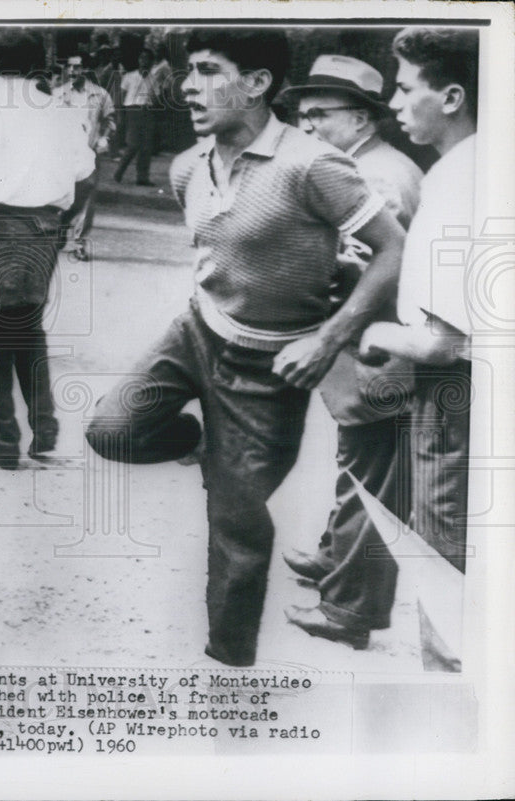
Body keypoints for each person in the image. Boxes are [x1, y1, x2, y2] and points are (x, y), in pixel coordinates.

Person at [85, 29, 406, 667]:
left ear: (257, 83)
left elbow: (395, 249)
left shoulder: (312, 163)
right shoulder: (185, 167)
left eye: (208, 71)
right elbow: (218, 253)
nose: (188, 87)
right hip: (196, 332)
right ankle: (209, 449)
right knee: (111, 430)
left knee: (237, 531)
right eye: (188, 73)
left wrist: (327, 339)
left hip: (271, 368)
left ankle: (226, 670)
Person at [275, 54, 424, 649]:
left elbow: (382, 268)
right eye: (302, 116)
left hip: (377, 345)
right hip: (369, 345)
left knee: (374, 478)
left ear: (362, 117)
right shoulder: (365, 164)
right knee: (358, 461)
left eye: (320, 115)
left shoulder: (377, 175)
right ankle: (335, 560)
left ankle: (350, 611)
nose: (307, 127)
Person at [357, 27, 478, 672]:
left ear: (452, 95)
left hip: (455, 395)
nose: (396, 105)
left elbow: (442, 340)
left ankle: (455, 738)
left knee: (445, 557)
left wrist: (376, 331)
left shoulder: (460, 177)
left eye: (406, 89)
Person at [0, 29, 95, 468]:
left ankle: (2, 443)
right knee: (28, 330)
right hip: (44, 231)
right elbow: (88, 179)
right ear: (35, 68)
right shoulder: (64, 112)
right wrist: (64, 221)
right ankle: (44, 432)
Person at [54, 54, 116, 261]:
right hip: (62, 153)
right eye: (70, 67)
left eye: (78, 67)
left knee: (87, 198)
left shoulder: (100, 95)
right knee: (61, 193)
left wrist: (105, 138)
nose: (73, 71)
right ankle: (60, 229)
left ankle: (79, 242)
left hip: (89, 154)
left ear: (86, 70)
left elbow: (111, 120)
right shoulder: (58, 94)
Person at [114, 47, 156, 186]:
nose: (144, 61)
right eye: (141, 58)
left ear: (152, 62)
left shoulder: (154, 79)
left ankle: (142, 177)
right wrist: (120, 113)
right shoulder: (129, 76)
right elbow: (121, 95)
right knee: (133, 144)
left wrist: (153, 101)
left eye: (147, 59)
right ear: (138, 60)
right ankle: (119, 171)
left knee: (146, 146)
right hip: (132, 111)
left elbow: (157, 98)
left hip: (147, 111)